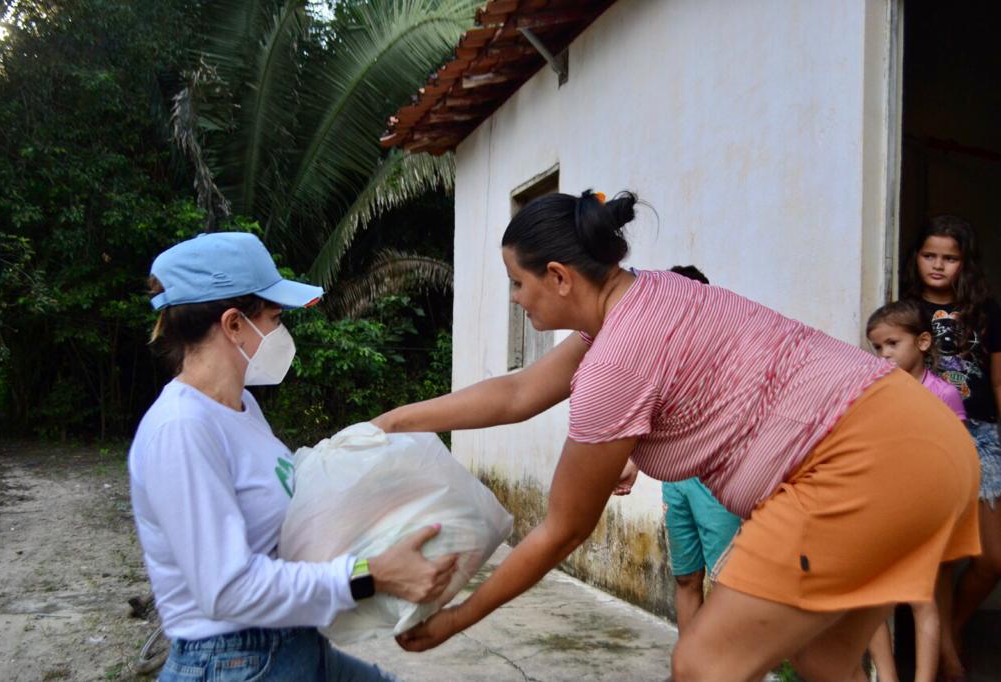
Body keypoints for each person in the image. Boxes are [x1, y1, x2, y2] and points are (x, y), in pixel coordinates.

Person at [374, 190, 980, 682]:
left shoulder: (616, 360)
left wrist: (460, 617)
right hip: (930, 441)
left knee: (701, 666)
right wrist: (393, 422)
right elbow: (517, 393)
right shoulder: (652, 294)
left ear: (558, 277)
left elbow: (564, 529)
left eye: (517, 282)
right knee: (826, 660)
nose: (515, 297)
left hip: (860, 461)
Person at [129, 232, 458, 682]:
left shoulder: (242, 409)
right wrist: (371, 575)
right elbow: (228, 590)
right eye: (275, 317)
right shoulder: (182, 430)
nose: (281, 332)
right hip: (234, 661)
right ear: (233, 324)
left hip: (289, 645)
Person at [903, 215, 1001, 680]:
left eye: (950, 258)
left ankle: (955, 626)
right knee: (940, 556)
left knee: (992, 557)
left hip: (983, 434)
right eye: (930, 256)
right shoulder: (905, 311)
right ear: (916, 258)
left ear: (965, 263)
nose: (938, 266)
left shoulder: (988, 312)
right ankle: (944, 653)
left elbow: (998, 380)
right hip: (927, 435)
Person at [619, 265, 742, 635]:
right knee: (687, 578)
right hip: (676, 481)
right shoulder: (659, 358)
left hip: (719, 483)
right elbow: (650, 418)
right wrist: (631, 463)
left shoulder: (727, 353)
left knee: (729, 584)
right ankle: (690, 667)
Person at [865, 299, 966, 682]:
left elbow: (955, 455)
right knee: (874, 601)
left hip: (923, 510)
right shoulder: (875, 391)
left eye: (892, 343)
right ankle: (887, 678)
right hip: (879, 508)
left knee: (921, 601)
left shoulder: (944, 394)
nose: (884, 354)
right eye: (878, 347)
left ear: (923, 342)